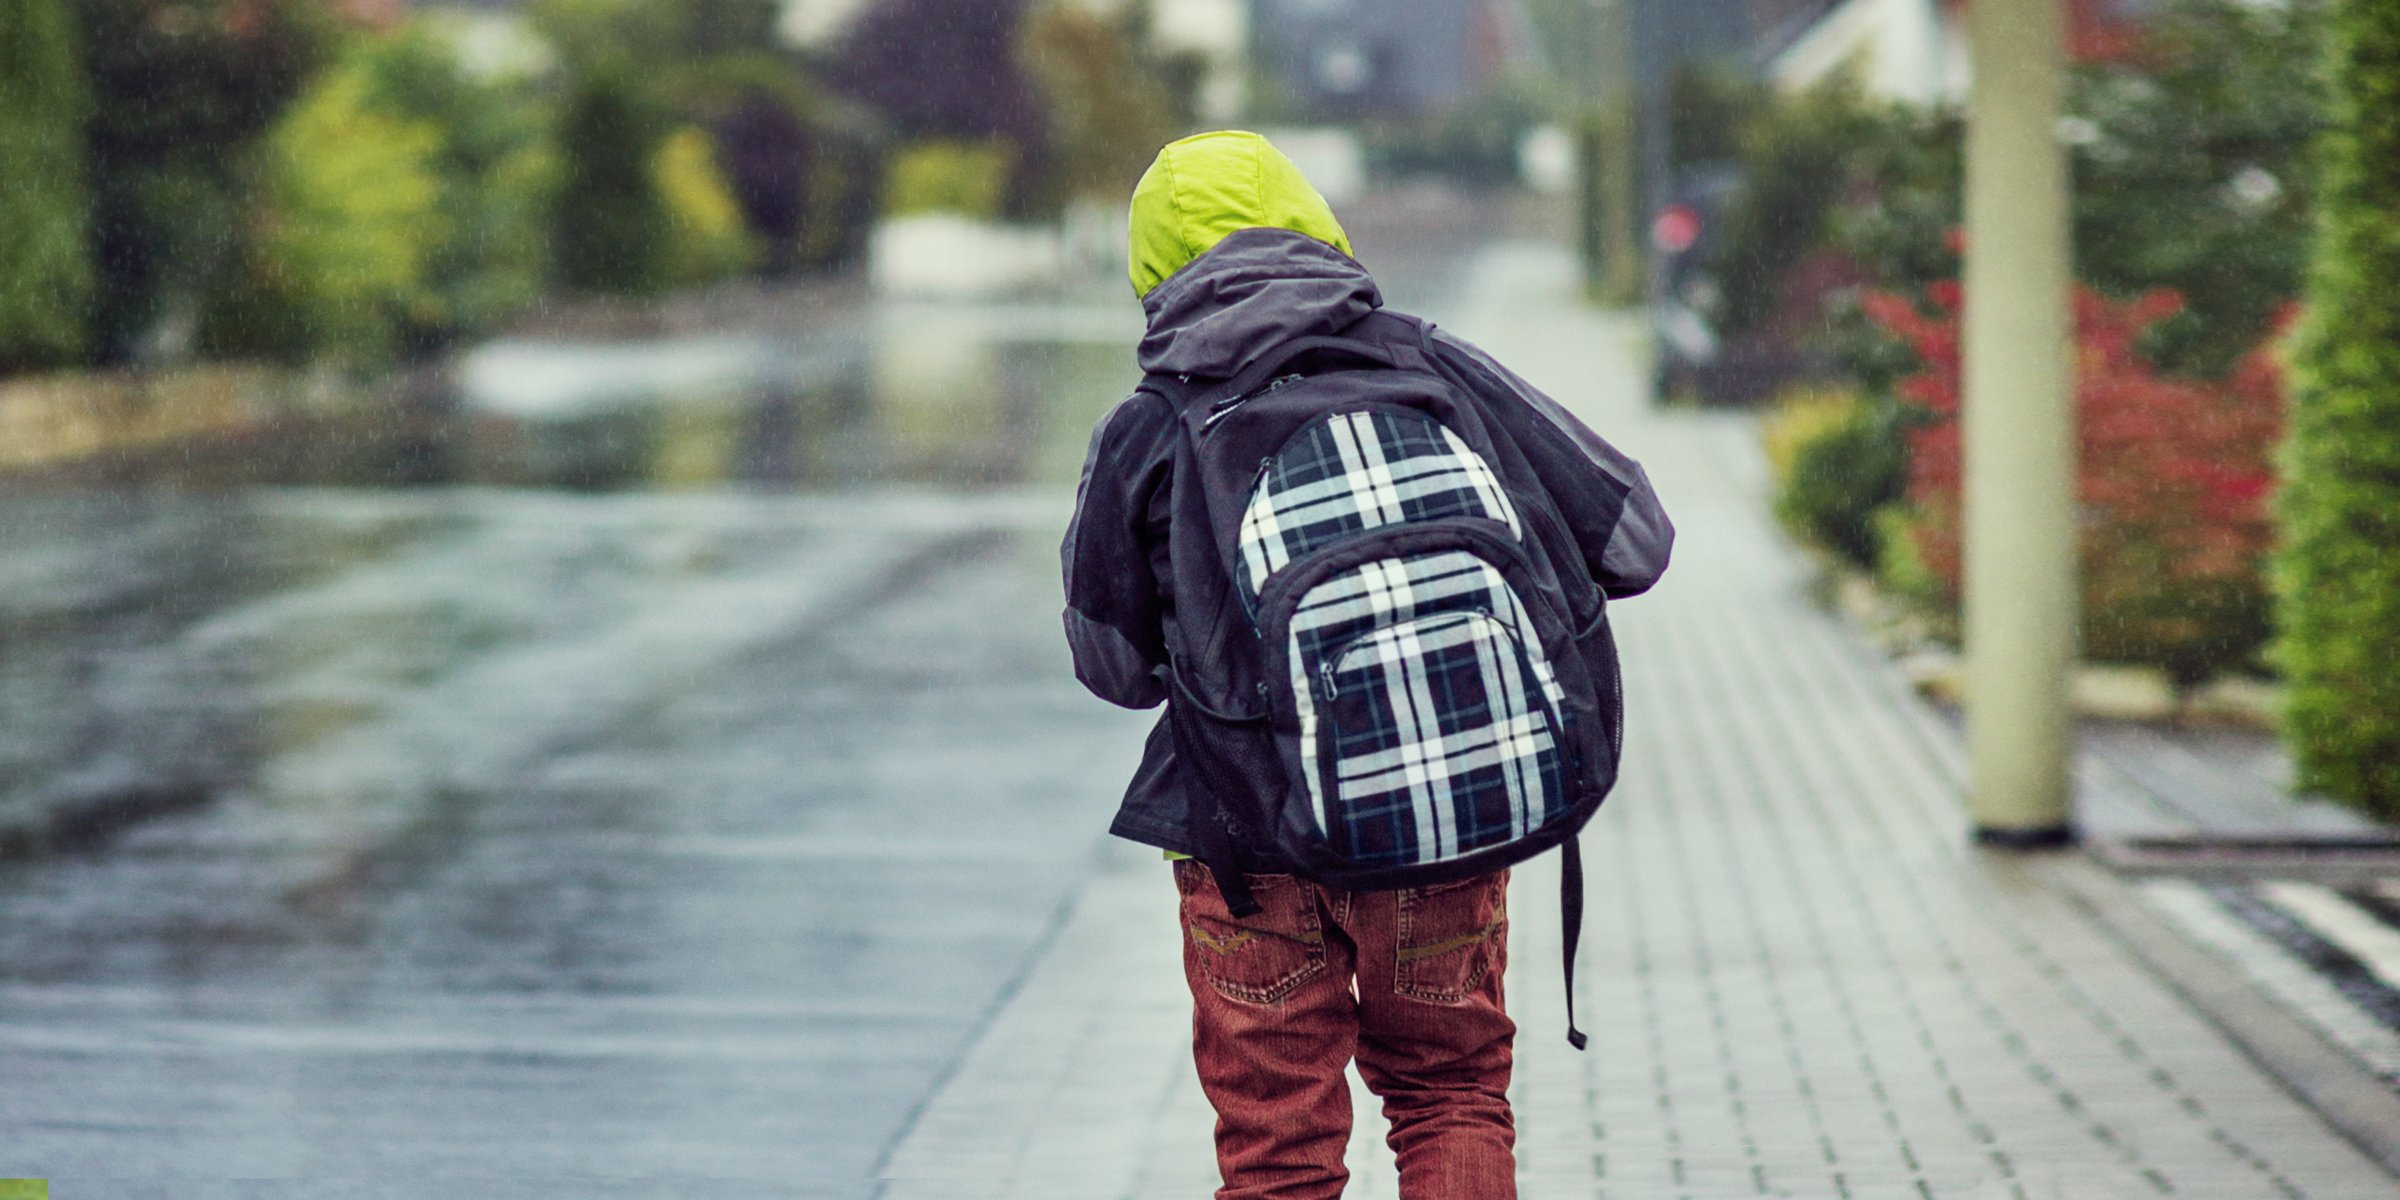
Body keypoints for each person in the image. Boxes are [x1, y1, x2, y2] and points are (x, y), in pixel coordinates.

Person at [1061, 131, 1673, 1200]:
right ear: (1318, 226)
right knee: (1450, 1095)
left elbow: (1114, 669)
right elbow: (1637, 543)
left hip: (1246, 848)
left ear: (1152, 274)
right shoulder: (1433, 364)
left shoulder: (1150, 429)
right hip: (1438, 820)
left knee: (1279, 1152)